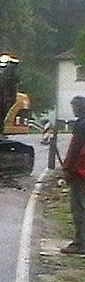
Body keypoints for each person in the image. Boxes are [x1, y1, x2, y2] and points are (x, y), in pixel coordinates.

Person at [61, 96, 85, 254]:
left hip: (80, 172)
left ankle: (80, 243)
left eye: (74, 107)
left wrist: (67, 169)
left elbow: (74, 149)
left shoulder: (81, 125)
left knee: (79, 207)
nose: (73, 110)